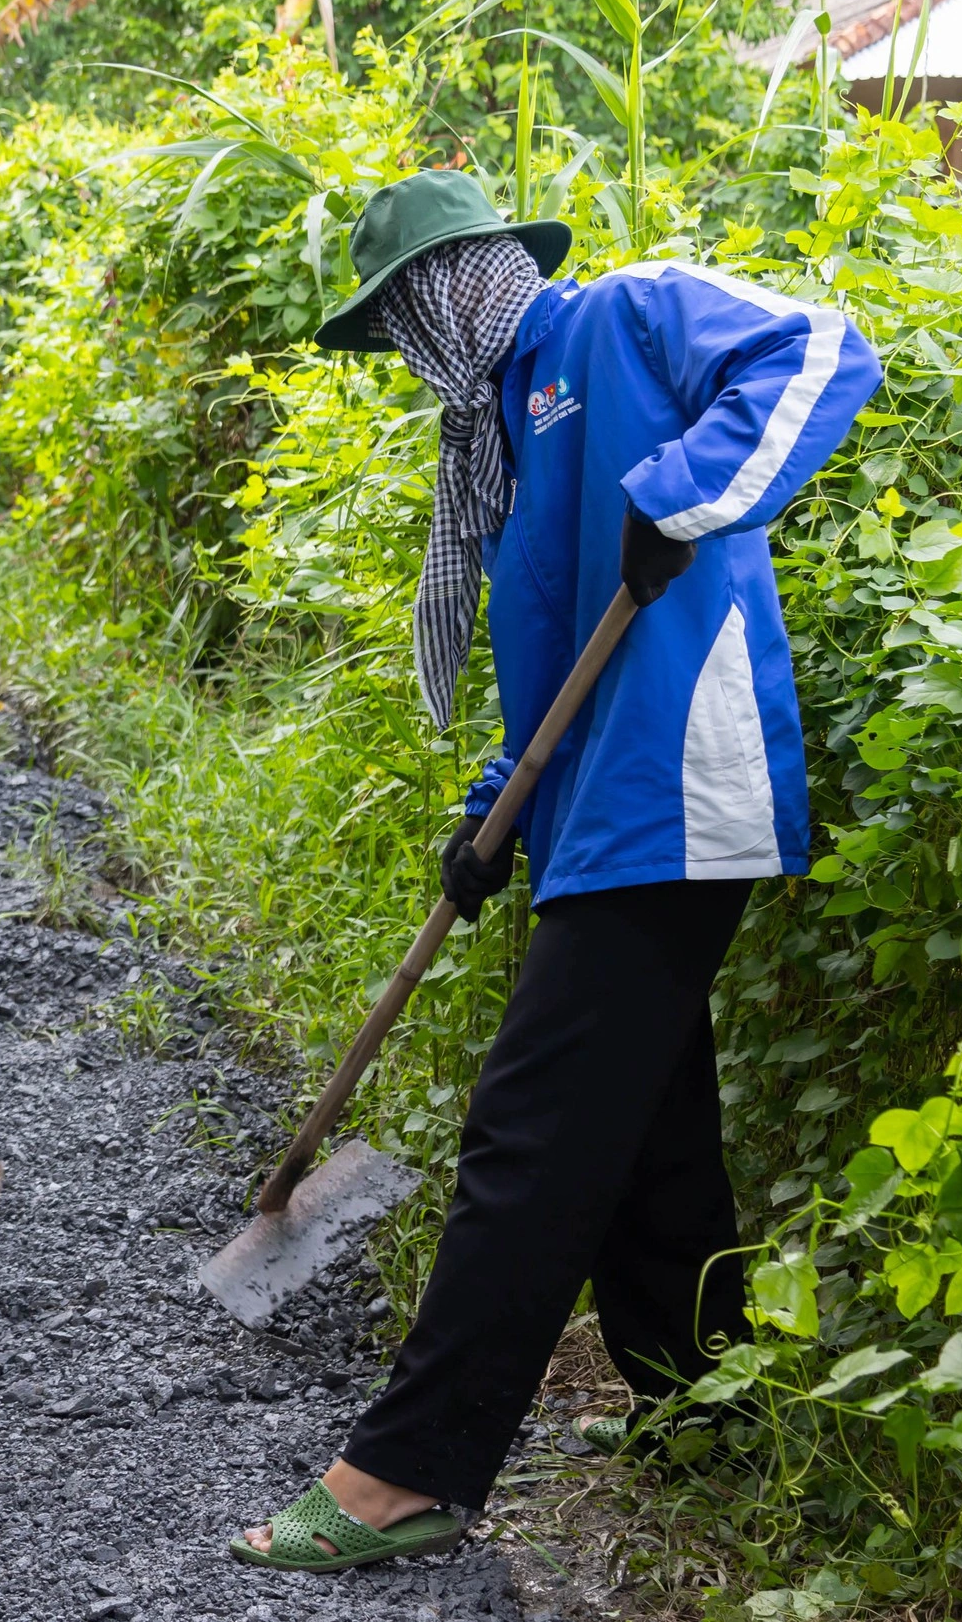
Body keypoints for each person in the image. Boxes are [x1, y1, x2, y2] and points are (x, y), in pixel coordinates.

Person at [231, 170, 881, 1573]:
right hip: (593, 807)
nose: (409, 340)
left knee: (528, 1129)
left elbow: (826, 346)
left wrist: (688, 489)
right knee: (648, 1131)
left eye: (414, 304)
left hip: (678, 790)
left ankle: (411, 1469)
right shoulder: (504, 437)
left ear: (468, 277)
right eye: (391, 322)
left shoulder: (624, 324)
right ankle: (701, 1408)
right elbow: (550, 692)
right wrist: (489, 816)